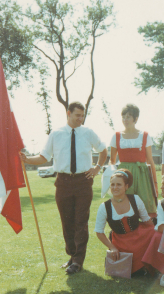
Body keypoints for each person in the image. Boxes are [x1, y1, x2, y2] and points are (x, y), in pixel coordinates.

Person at [20, 102, 107, 274]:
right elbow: (44, 156)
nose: (80, 118)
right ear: (68, 113)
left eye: (82, 115)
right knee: (67, 221)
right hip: (63, 182)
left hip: (83, 181)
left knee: (81, 221)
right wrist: (27, 159)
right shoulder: (56, 134)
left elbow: (103, 151)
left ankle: (78, 261)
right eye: (77, 115)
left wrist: (97, 168)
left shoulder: (88, 133)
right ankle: (72, 255)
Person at [95, 169, 155, 274]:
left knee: (155, 233)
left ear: (126, 186)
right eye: (112, 184)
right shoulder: (104, 206)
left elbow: (147, 220)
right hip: (120, 241)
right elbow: (99, 231)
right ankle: (141, 268)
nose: (115, 187)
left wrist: (158, 232)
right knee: (129, 270)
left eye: (119, 184)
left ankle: (150, 266)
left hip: (140, 237)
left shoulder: (135, 199)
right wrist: (112, 247)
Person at [110, 104, 157, 215]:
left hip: (142, 173)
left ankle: (148, 230)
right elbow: (112, 161)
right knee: (126, 203)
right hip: (123, 174)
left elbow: (150, 160)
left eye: (128, 117)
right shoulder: (116, 136)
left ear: (135, 119)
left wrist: (155, 182)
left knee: (146, 203)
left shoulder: (144, 135)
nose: (125, 120)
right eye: (123, 117)